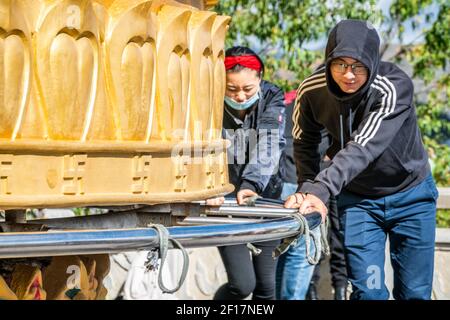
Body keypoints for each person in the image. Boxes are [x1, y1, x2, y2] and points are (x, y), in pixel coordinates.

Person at [285, 19, 438, 300]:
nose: (349, 75)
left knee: (415, 293)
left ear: (372, 62)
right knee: (369, 293)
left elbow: (362, 147)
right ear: (328, 60)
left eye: (358, 65)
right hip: (359, 204)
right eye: (340, 64)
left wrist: (321, 188)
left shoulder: (393, 87)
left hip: (411, 197)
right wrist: (307, 187)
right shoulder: (312, 90)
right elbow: (304, 141)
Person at [209, 46, 286, 300]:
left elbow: (269, 142)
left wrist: (251, 183)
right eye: (231, 89)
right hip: (225, 203)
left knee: (266, 287)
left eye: (247, 89)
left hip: (264, 199)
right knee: (242, 285)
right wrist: (209, 185)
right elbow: (200, 145)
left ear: (260, 80)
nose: (240, 96)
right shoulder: (207, 99)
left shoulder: (273, 97)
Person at [275, 91, 322, 300]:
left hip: (278, 184)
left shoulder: (287, 101)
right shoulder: (323, 103)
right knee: (301, 254)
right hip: (301, 188)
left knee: (280, 253)